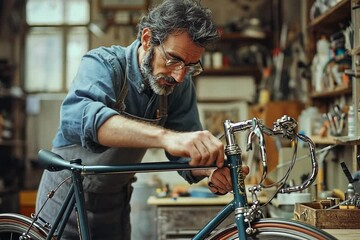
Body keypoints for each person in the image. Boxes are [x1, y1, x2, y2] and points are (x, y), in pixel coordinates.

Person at [35, 0, 249, 239]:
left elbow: (184, 153)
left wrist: (210, 170)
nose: (179, 76)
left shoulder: (178, 85)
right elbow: (83, 118)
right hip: (65, 200)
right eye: (173, 59)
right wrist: (166, 138)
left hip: (114, 205)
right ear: (147, 39)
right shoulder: (104, 64)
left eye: (190, 66)